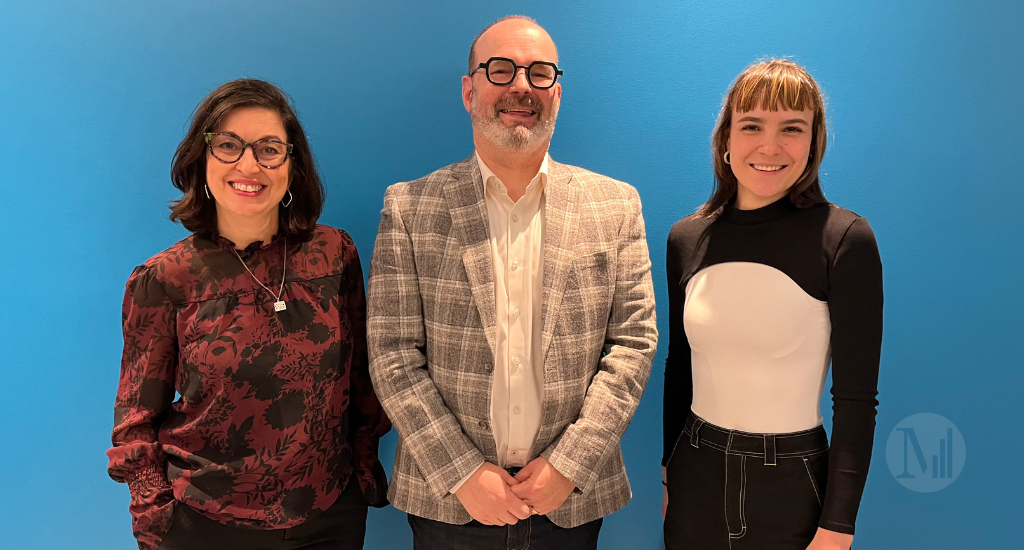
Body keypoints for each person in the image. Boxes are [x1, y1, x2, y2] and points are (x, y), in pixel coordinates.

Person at [366, 15, 658, 550]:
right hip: (448, 505)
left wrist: (570, 464)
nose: (522, 86)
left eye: (539, 72)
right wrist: (461, 473)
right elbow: (392, 354)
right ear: (469, 89)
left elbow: (633, 344)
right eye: (501, 70)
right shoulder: (409, 207)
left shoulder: (616, 205)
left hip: (570, 502)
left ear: (558, 92)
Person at [106, 79, 390, 550]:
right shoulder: (165, 278)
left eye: (269, 149)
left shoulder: (336, 255)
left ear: (292, 164)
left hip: (329, 517)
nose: (248, 165)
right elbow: (135, 419)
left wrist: (359, 476)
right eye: (229, 146)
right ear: (203, 159)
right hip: (204, 524)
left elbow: (361, 382)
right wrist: (156, 518)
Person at [662, 59, 883, 550]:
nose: (769, 146)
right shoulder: (686, 238)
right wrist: (667, 476)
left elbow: (855, 401)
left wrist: (837, 526)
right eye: (752, 126)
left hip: (792, 483)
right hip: (694, 471)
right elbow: (680, 368)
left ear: (813, 141)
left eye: (791, 128)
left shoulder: (844, 239)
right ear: (726, 139)